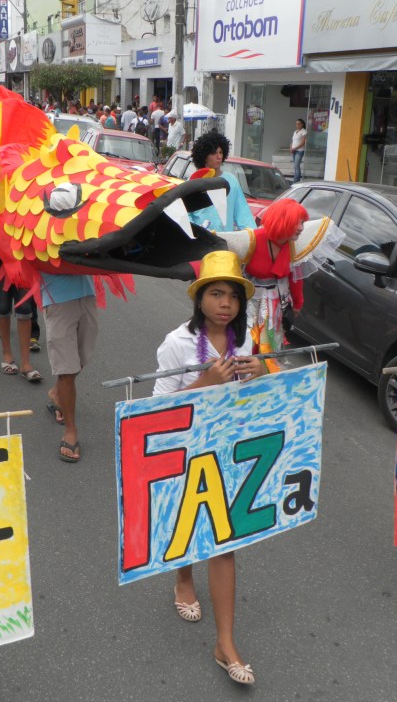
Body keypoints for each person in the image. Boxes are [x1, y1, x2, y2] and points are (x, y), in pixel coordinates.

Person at [153, 250, 266, 686]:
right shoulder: (177, 342)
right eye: (216, 294)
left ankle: (226, 643)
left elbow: (250, 398)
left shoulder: (245, 341)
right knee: (188, 526)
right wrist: (203, 382)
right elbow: (155, 408)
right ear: (199, 300)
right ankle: (183, 578)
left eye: (232, 297)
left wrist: (258, 372)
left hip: (229, 448)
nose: (225, 304)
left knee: (223, 537)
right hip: (184, 449)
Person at [242, 199, 309, 363]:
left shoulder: (295, 245)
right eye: (297, 223)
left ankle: (266, 374)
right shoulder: (252, 239)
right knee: (245, 344)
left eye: (302, 223)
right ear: (283, 222)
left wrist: (298, 304)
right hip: (248, 304)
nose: (301, 228)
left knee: (271, 346)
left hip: (277, 306)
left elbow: (296, 278)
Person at [41, 272, 98, 463]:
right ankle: (70, 431)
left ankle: (56, 392)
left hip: (87, 293)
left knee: (81, 359)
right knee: (66, 369)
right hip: (57, 298)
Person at [188, 131, 255, 232]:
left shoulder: (231, 181)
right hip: (202, 243)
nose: (218, 157)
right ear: (204, 156)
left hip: (225, 243)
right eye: (214, 153)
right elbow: (186, 215)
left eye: (221, 152)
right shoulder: (193, 182)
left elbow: (243, 215)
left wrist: (253, 236)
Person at [0, 272, 42, 382]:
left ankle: (25, 363)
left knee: (24, 309)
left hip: (23, 263)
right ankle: (7, 355)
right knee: (2, 308)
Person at [290, 118, 307, 182]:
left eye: (299, 124)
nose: (297, 125)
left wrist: (294, 148)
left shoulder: (303, 131)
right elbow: (292, 141)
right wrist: (291, 148)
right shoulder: (295, 131)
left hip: (299, 151)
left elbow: (303, 143)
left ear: (302, 124)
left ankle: (296, 181)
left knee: (297, 166)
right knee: (295, 166)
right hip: (294, 150)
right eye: (296, 124)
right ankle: (296, 180)